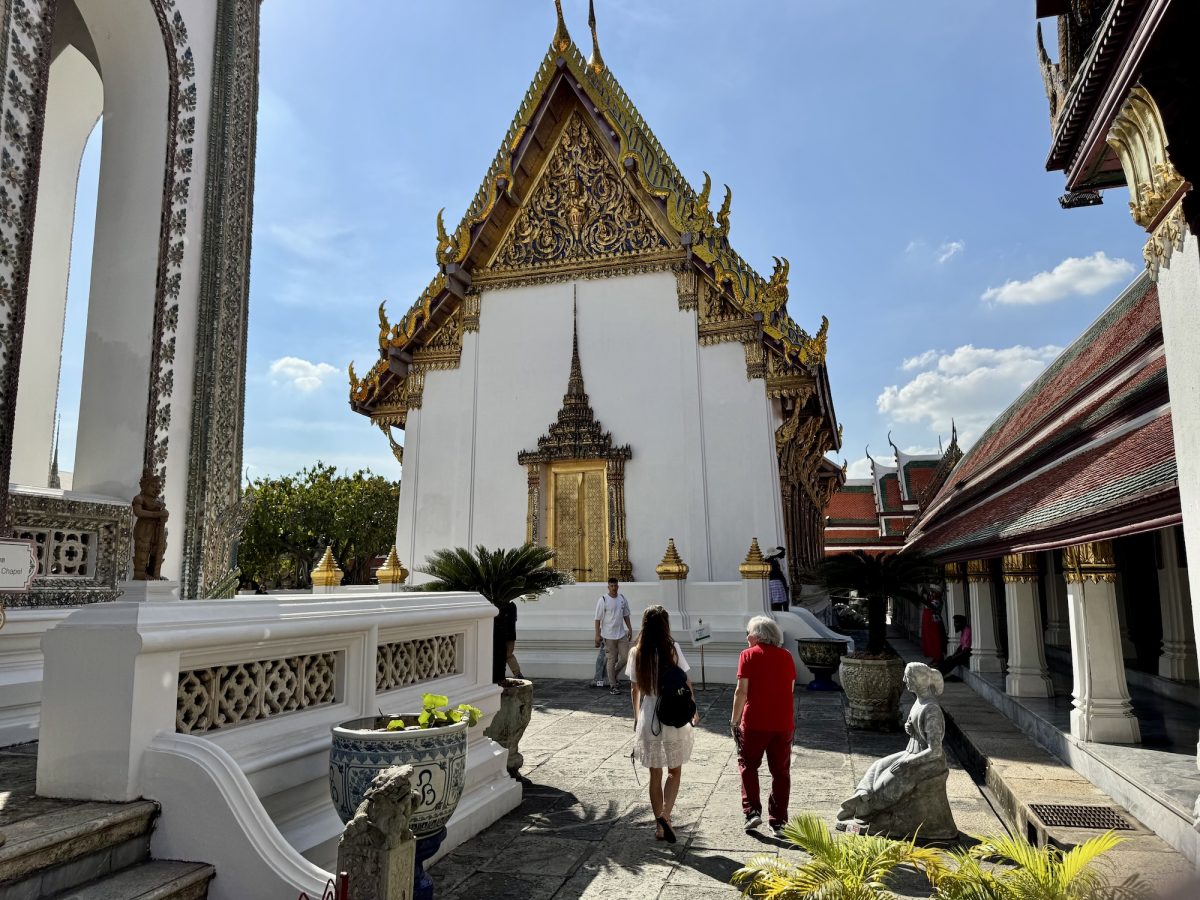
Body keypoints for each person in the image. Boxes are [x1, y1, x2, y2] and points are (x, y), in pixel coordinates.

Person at [837, 663, 952, 836]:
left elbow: (935, 751)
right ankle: (861, 796)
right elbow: (920, 731)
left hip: (927, 762)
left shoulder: (931, 710)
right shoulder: (920, 701)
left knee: (887, 782)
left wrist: (907, 763)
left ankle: (868, 810)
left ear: (918, 680)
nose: (904, 680)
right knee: (878, 766)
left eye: (908, 677)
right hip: (912, 753)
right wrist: (911, 729)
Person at [626, 605, 699, 843]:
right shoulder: (672, 648)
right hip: (673, 713)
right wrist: (693, 709)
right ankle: (666, 815)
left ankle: (660, 825)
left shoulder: (637, 652)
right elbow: (686, 682)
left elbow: (635, 688)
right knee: (674, 771)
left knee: (654, 774)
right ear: (665, 624)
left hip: (650, 714)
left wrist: (636, 718)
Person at [730, 615, 796, 837]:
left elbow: (741, 691)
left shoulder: (748, 655)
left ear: (757, 636)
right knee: (781, 772)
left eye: (748, 633)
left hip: (755, 722)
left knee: (748, 765)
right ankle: (778, 821)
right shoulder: (786, 656)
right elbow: (790, 688)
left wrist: (734, 720)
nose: (747, 637)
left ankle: (752, 811)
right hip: (783, 723)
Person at [594, 578, 632, 695]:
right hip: (608, 635)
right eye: (611, 586)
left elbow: (626, 615)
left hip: (621, 634)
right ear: (608, 587)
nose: (614, 588)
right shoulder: (603, 600)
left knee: (626, 657)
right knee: (612, 659)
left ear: (618, 586)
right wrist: (597, 635)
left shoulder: (622, 599)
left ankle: (613, 674)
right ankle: (613, 686)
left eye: (615, 586)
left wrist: (630, 629)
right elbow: (597, 619)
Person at [496, 600, 523, 679]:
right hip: (508, 634)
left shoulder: (507, 605)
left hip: (504, 634)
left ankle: (517, 674)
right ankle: (517, 674)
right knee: (508, 655)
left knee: (507, 655)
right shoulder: (512, 605)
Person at [920, 589, 946, 664]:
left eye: (933, 592)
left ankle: (939, 658)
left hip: (935, 623)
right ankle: (935, 657)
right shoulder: (932, 599)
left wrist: (922, 597)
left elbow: (930, 606)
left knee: (936, 640)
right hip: (930, 623)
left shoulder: (938, 601)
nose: (932, 594)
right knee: (931, 640)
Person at [766, 547, 789, 611]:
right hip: (777, 583)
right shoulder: (774, 562)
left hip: (770, 583)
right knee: (778, 602)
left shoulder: (766, 560)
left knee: (774, 601)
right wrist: (784, 582)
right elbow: (778, 573)